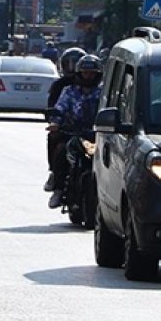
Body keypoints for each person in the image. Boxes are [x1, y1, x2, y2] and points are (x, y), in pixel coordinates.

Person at [46, 54, 103, 208]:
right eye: (85, 73)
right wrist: (55, 123)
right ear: (79, 73)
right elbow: (60, 108)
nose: (89, 76)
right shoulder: (69, 91)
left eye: (92, 73)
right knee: (59, 149)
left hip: (98, 135)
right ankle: (57, 187)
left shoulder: (104, 93)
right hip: (72, 133)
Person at [43, 47, 87, 192]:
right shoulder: (63, 87)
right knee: (56, 141)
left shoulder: (99, 89)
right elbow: (55, 107)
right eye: (68, 64)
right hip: (68, 129)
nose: (72, 68)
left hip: (91, 131)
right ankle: (55, 176)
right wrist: (55, 122)